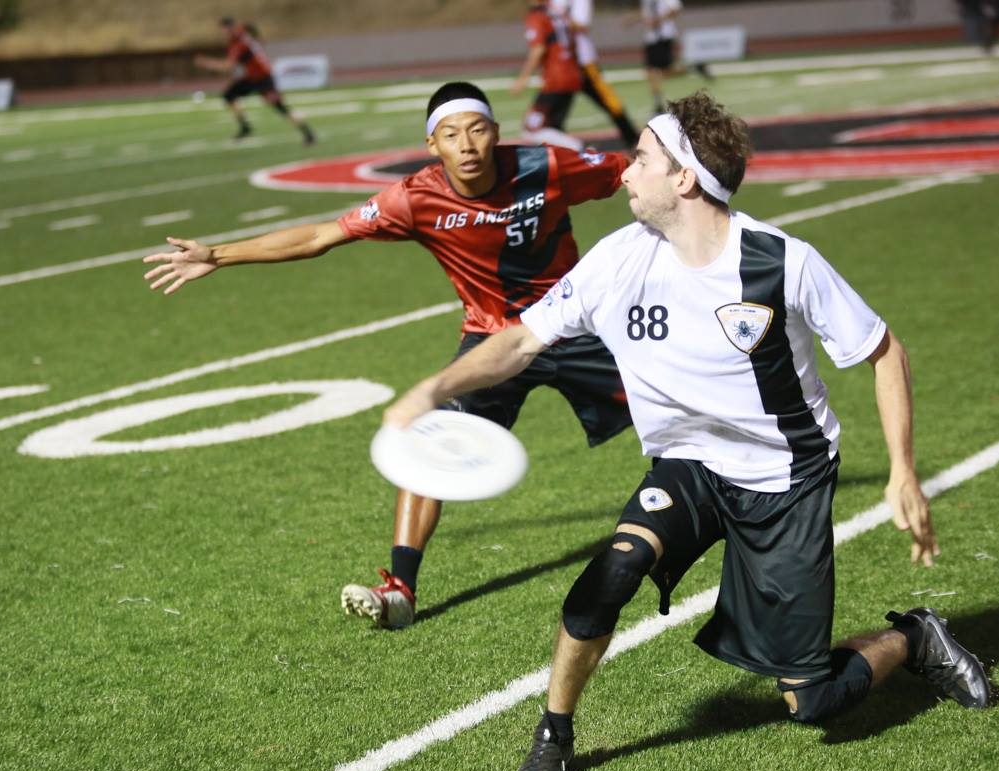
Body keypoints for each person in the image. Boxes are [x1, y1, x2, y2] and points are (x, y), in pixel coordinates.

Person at [381, 90, 991, 771]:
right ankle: (554, 735)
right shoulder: (620, 260)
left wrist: (903, 473)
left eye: (640, 158)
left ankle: (915, 638)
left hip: (784, 479)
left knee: (812, 701)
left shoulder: (781, 263)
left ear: (684, 179)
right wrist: (432, 390)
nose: (624, 172)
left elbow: (883, 350)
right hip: (692, 465)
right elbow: (518, 341)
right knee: (607, 577)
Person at [141, 81, 633, 630]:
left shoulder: (546, 165)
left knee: (683, 407)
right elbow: (320, 237)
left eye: (476, 130)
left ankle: (724, 507)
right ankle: (400, 589)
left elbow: (631, 175)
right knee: (431, 441)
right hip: (490, 343)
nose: (466, 144)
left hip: (574, 326)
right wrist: (219, 254)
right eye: (451, 134)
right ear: (432, 145)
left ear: (495, 133)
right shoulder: (414, 198)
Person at [193, 17, 316, 143]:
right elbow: (252, 28)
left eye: (223, 30)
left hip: (263, 78)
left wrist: (205, 63)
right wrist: (260, 39)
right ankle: (245, 127)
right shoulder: (242, 33)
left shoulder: (238, 44)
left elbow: (227, 66)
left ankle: (308, 132)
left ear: (226, 28)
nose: (223, 33)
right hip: (253, 77)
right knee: (229, 95)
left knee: (280, 107)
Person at [549, 0, 640, 148]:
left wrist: (560, 17)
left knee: (607, 100)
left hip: (584, 60)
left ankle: (631, 137)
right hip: (562, 64)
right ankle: (557, 145)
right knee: (556, 107)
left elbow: (582, 25)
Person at [512, 2, 588, 151]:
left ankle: (580, 150)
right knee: (555, 128)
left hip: (555, 80)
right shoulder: (557, 12)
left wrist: (522, 79)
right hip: (572, 75)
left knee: (531, 130)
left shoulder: (536, 16)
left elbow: (538, 49)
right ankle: (568, 166)